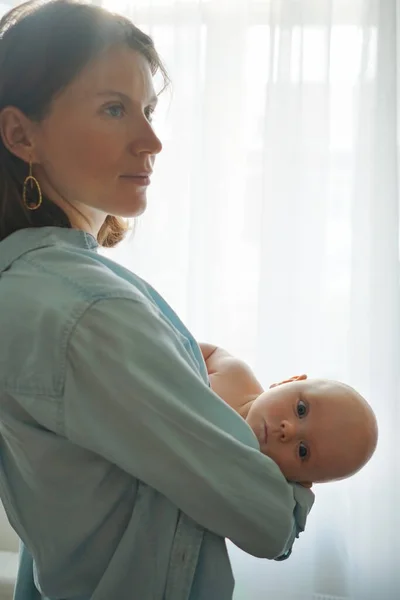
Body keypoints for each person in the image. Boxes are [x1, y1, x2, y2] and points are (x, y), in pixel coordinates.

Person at [0, 2, 314, 599]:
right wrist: (255, 418)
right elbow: (266, 519)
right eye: (114, 109)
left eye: (146, 109)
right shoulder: (88, 312)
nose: (152, 141)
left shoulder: (26, 286)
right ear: (21, 134)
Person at [202, 345, 378, 486]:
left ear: (300, 481)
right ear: (288, 382)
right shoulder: (234, 374)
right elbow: (185, 347)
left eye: (303, 451)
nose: (289, 430)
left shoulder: (247, 480)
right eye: (301, 409)